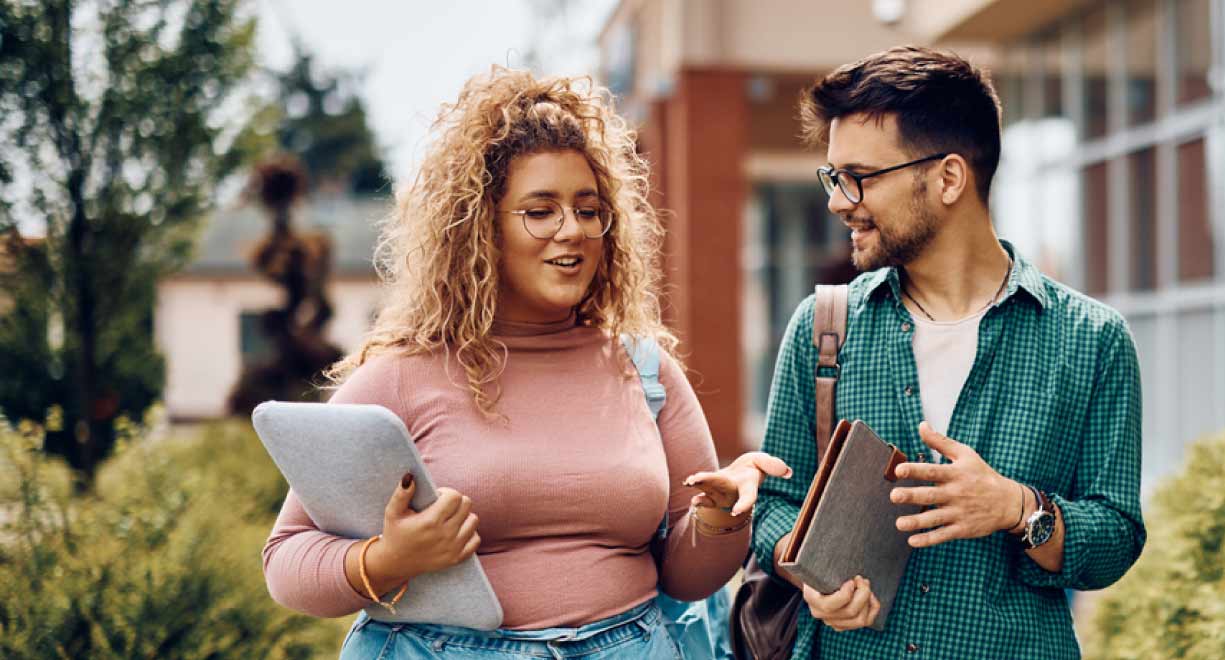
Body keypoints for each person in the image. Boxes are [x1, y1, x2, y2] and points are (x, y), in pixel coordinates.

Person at [262, 66, 788, 659]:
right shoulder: (401, 375)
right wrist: (387, 559)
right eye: (541, 211)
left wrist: (720, 517)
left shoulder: (645, 371)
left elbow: (688, 580)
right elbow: (285, 560)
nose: (573, 232)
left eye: (588, 210)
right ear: (480, 228)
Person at [750, 46, 1145, 659]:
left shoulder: (1091, 340)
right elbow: (776, 502)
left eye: (859, 177)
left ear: (949, 178)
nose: (837, 200)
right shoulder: (824, 327)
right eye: (833, 177)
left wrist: (1018, 508)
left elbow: (1117, 537)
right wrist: (806, 571)